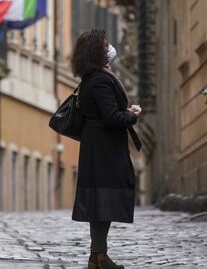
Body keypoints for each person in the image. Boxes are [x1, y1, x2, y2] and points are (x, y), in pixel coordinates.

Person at [70, 29, 142, 269]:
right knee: (103, 202)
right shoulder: (100, 80)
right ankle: (99, 257)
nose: (110, 47)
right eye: (105, 44)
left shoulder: (92, 77)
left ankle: (97, 257)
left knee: (101, 202)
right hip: (104, 149)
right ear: (97, 51)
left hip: (98, 147)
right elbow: (111, 118)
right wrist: (131, 115)